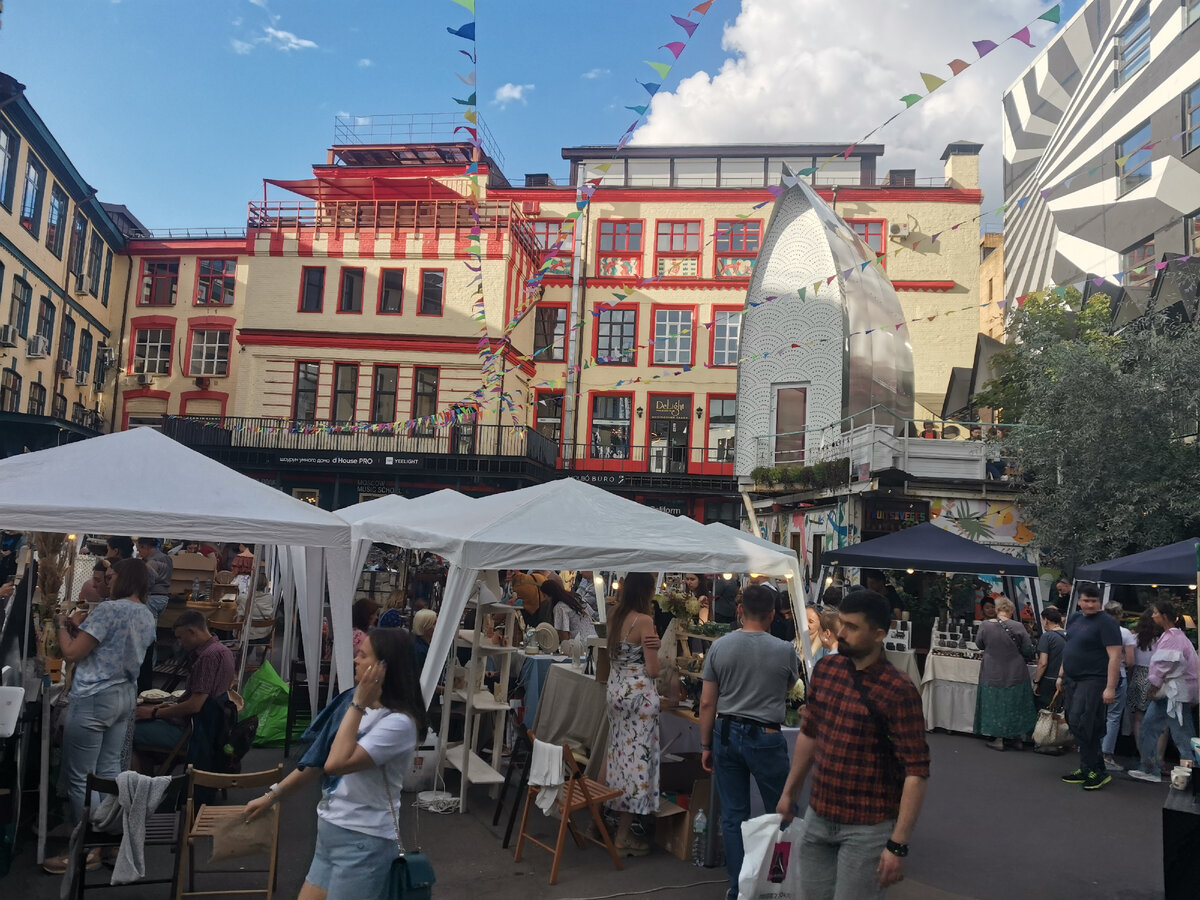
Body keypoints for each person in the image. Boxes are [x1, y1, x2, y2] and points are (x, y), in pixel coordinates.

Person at [777, 589, 930, 899]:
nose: (841, 633)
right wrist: (789, 793)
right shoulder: (826, 671)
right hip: (819, 814)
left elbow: (916, 771)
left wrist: (897, 844)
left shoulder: (898, 690)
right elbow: (809, 734)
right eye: (841, 624)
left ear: (879, 634)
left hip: (868, 827)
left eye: (852, 627)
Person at [262, 628, 425, 899]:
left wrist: (358, 703)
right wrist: (272, 796)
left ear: (383, 668)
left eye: (362, 655)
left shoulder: (398, 723)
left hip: (364, 841)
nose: (355, 660)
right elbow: (316, 761)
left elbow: (334, 764)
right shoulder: (359, 709)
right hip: (332, 832)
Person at [45, 558, 157, 874]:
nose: (106, 581)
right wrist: (78, 630)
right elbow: (111, 646)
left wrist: (60, 623)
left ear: (123, 579)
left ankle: (87, 849)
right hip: (124, 697)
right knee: (109, 773)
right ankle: (108, 842)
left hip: (94, 696)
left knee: (82, 776)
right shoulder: (147, 615)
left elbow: (71, 653)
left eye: (110, 576)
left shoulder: (109, 609)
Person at [700, 584, 799, 898]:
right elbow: (789, 686)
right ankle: (777, 880)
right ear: (772, 614)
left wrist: (705, 745)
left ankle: (739, 887)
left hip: (726, 732)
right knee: (782, 812)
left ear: (739, 611)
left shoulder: (720, 646)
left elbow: (706, 703)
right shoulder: (784, 650)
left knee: (734, 815)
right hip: (766, 736)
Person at [132, 609, 235, 768]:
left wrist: (155, 712)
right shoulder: (223, 651)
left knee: (125, 732)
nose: (179, 643)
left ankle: (140, 784)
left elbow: (195, 705)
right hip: (210, 729)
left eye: (180, 637)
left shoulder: (208, 656)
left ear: (191, 631)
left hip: (191, 732)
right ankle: (150, 775)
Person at [604, 571, 662, 856]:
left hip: (616, 691)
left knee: (616, 757)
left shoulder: (614, 614)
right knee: (636, 764)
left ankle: (601, 819)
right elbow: (653, 670)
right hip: (639, 697)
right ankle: (624, 835)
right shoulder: (645, 621)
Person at [1057, 585, 1122, 790]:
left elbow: (1115, 656)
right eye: (1086, 601)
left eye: (1094, 601)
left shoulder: (1107, 623)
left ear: (1099, 602)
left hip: (1094, 680)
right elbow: (1070, 647)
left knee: (1083, 721)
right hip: (1072, 679)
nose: (1090, 604)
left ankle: (1098, 770)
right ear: (1079, 601)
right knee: (1074, 722)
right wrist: (1061, 674)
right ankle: (1087, 768)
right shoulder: (1075, 619)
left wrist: (1110, 687)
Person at [1128, 600, 1199, 783]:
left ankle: (1186, 774)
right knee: (1169, 731)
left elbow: (1163, 665)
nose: (1153, 616)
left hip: (1172, 692)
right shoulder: (1176, 637)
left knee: (1179, 735)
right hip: (1175, 692)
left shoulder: (1171, 638)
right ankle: (1154, 768)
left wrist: (1154, 685)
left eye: (1155, 613)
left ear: (1164, 616)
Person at [975, 597, 1037, 751]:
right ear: (1011, 610)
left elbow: (979, 644)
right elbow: (1027, 650)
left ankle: (999, 739)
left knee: (995, 704)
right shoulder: (1018, 626)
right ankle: (1016, 738)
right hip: (1015, 671)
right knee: (1015, 703)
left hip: (991, 670)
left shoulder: (985, 625)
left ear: (997, 610)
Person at [1100, 602, 1136, 771]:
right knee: (1113, 717)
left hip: (1097, 675)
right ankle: (1106, 754)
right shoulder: (1125, 633)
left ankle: (1092, 750)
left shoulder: (1097, 629)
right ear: (1120, 615)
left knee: (1097, 713)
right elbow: (1130, 661)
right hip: (1118, 676)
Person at [1127, 608, 1163, 766]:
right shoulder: (1162, 640)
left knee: (1138, 718)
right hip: (1157, 677)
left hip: (1138, 676)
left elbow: (1130, 661)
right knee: (1160, 720)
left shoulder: (1135, 638)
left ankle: (1143, 755)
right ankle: (1158, 758)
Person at [1032, 607, 1067, 709]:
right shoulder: (1069, 634)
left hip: (1048, 681)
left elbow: (1043, 663)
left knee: (1044, 712)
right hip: (1065, 681)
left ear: (1046, 620)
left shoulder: (1047, 637)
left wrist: (1036, 682)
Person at [135, 537, 173, 618]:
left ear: (144, 547)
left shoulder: (152, 562)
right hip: (164, 597)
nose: (139, 553)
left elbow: (149, 581)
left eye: (139, 550)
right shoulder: (167, 558)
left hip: (152, 597)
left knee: (148, 626)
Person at [238, 573, 278, 642]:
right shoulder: (270, 598)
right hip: (265, 635)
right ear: (265, 584)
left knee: (238, 614)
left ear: (252, 583)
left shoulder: (243, 598)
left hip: (247, 635)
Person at [411, 608, 437, 675]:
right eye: (434, 623)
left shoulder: (427, 644)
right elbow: (419, 680)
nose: (438, 626)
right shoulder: (419, 650)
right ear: (425, 626)